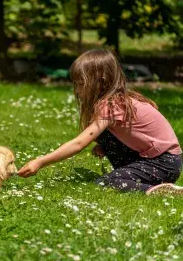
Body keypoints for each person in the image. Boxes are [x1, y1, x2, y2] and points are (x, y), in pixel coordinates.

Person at [18, 49, 182, 195]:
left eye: (81, 84)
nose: (77, 90)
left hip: (163, 164)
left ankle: (155, 191)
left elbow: (79, 143)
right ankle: (141, 178)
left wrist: (40, 162)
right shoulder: (117, 100)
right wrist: (107, 146)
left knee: (106, 182)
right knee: (104, 136)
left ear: (101, 82)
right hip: (162, 160)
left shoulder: (110, 105)